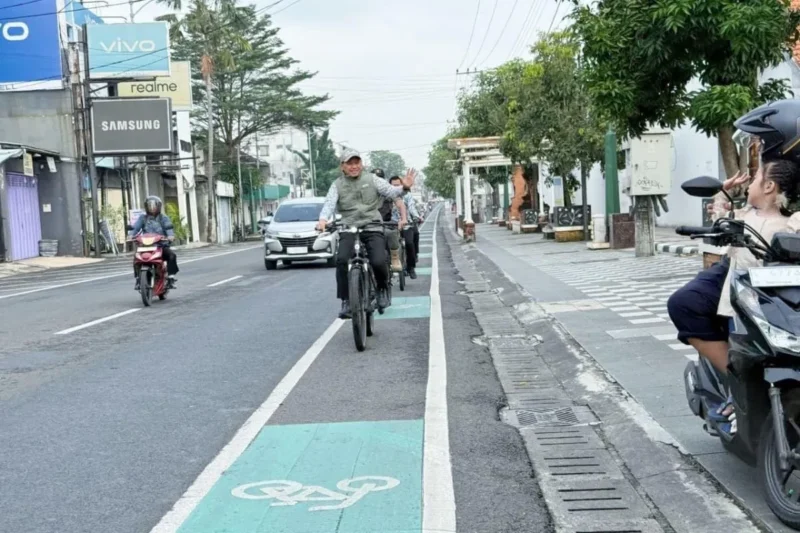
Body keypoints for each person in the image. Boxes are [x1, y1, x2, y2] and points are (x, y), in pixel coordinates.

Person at [317, 150, 416, 319]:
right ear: (342, 166)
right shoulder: (337, 185)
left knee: (378, 260)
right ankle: (346, 300)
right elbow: (329, 204)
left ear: (361, 164)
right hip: (349, 227)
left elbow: (391, 192)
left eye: (356, 162)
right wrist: (322, 220)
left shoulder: (373, 179)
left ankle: (382, 289)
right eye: (349, 163)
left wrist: (404, 187)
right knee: (341, 260)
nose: (354, 166)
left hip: (372, 226)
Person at [129, 196, 179, 290]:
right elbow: (135, 228)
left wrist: (170, 236)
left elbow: (168, 228)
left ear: (158, 206)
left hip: (161, 246)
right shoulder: (142, 218)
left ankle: (171, 278)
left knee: (172, 256)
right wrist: (130, 235)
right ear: (146, 207)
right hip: (145, 246)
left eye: (154, 205)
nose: (152, 208)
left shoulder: (163, 218)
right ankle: (138, 279)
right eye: (149, 205)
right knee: (136, 258)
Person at [375, 170, 408, 272]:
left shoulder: (388, 191)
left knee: (391, 233)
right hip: (367, 224)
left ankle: (394, 258)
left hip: (386, 223)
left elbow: (400, 204)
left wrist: (403, 219)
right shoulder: (363, 191)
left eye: (379, 179)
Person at [389, 175, 421, 278]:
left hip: (406, 224)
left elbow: (411, 207)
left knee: (409, 243)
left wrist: (416, 217)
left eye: (398, 185)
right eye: (393, 185)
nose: (396, 187)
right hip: (391, 225)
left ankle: (411, 267)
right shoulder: (386, 195)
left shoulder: (407, 195)